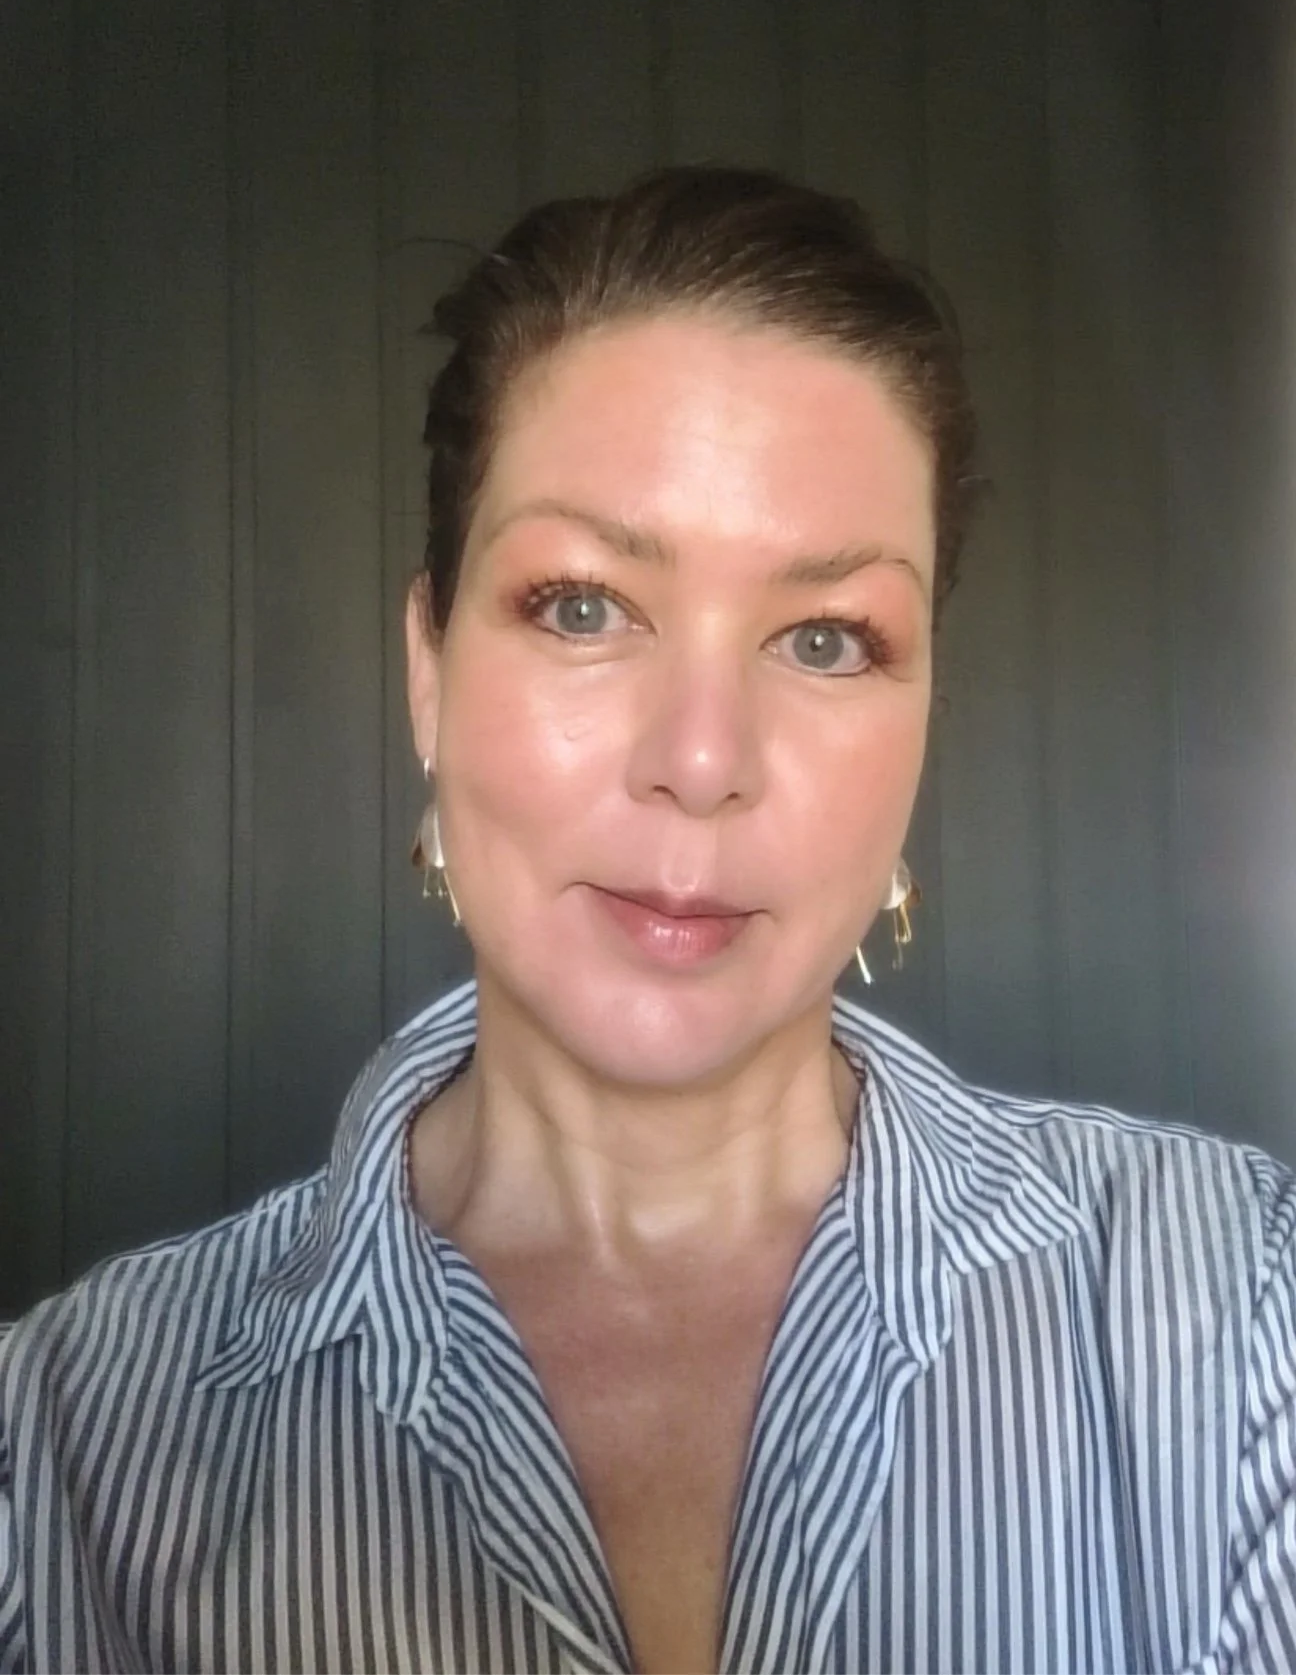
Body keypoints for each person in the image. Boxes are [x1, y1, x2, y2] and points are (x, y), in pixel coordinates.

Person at [1, 166, 1294, 1675]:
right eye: (584, 606)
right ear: (429, 667)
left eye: (827, 638)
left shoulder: (1243, 1315)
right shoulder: (65, 1449)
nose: (701, 761)